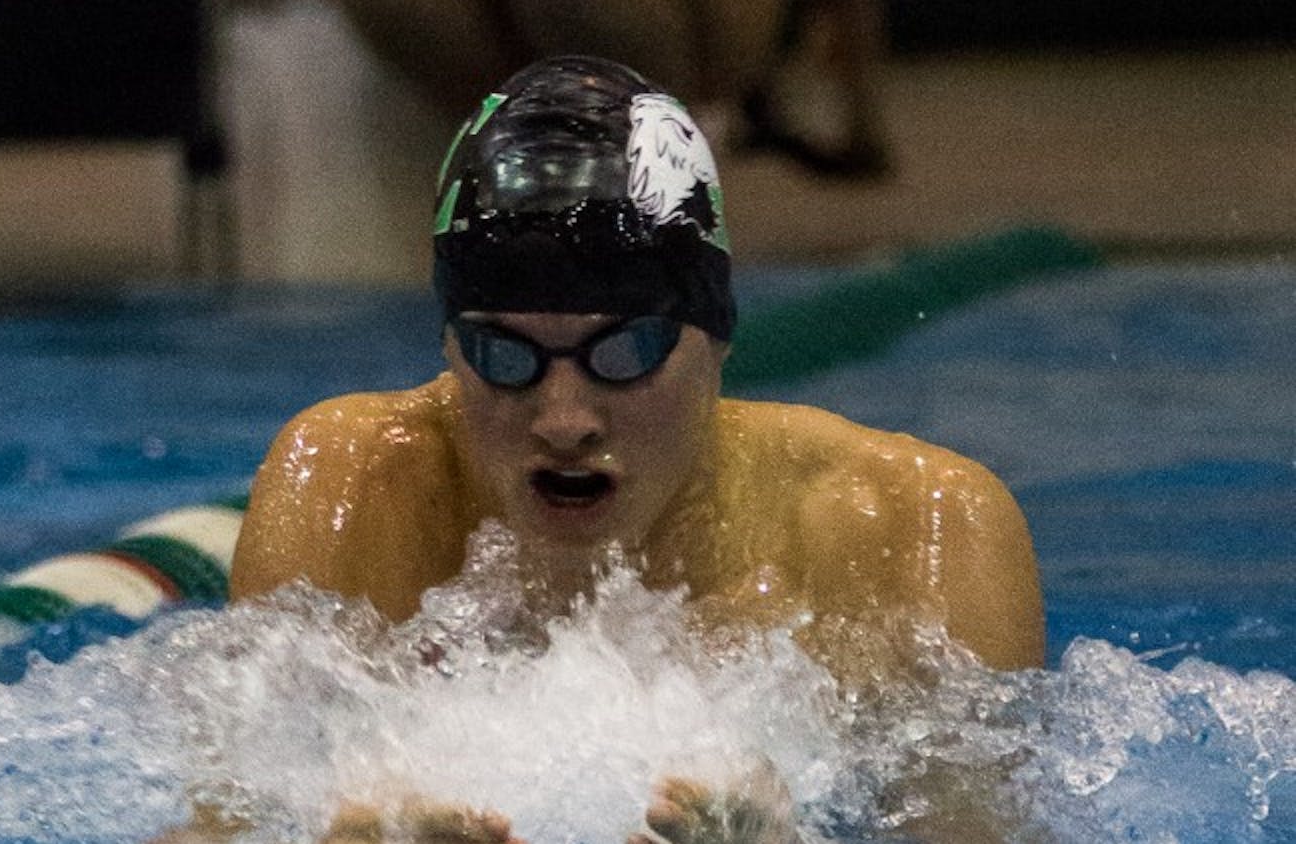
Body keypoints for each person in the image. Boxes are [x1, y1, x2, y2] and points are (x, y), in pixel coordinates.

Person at [192, 55, 1043, 843]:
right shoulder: (353, 486)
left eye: (625, 352)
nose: (564, 420)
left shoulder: (909, 528)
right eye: (505, 356)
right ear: (450, 350)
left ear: (716, 342)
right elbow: (214, 826)